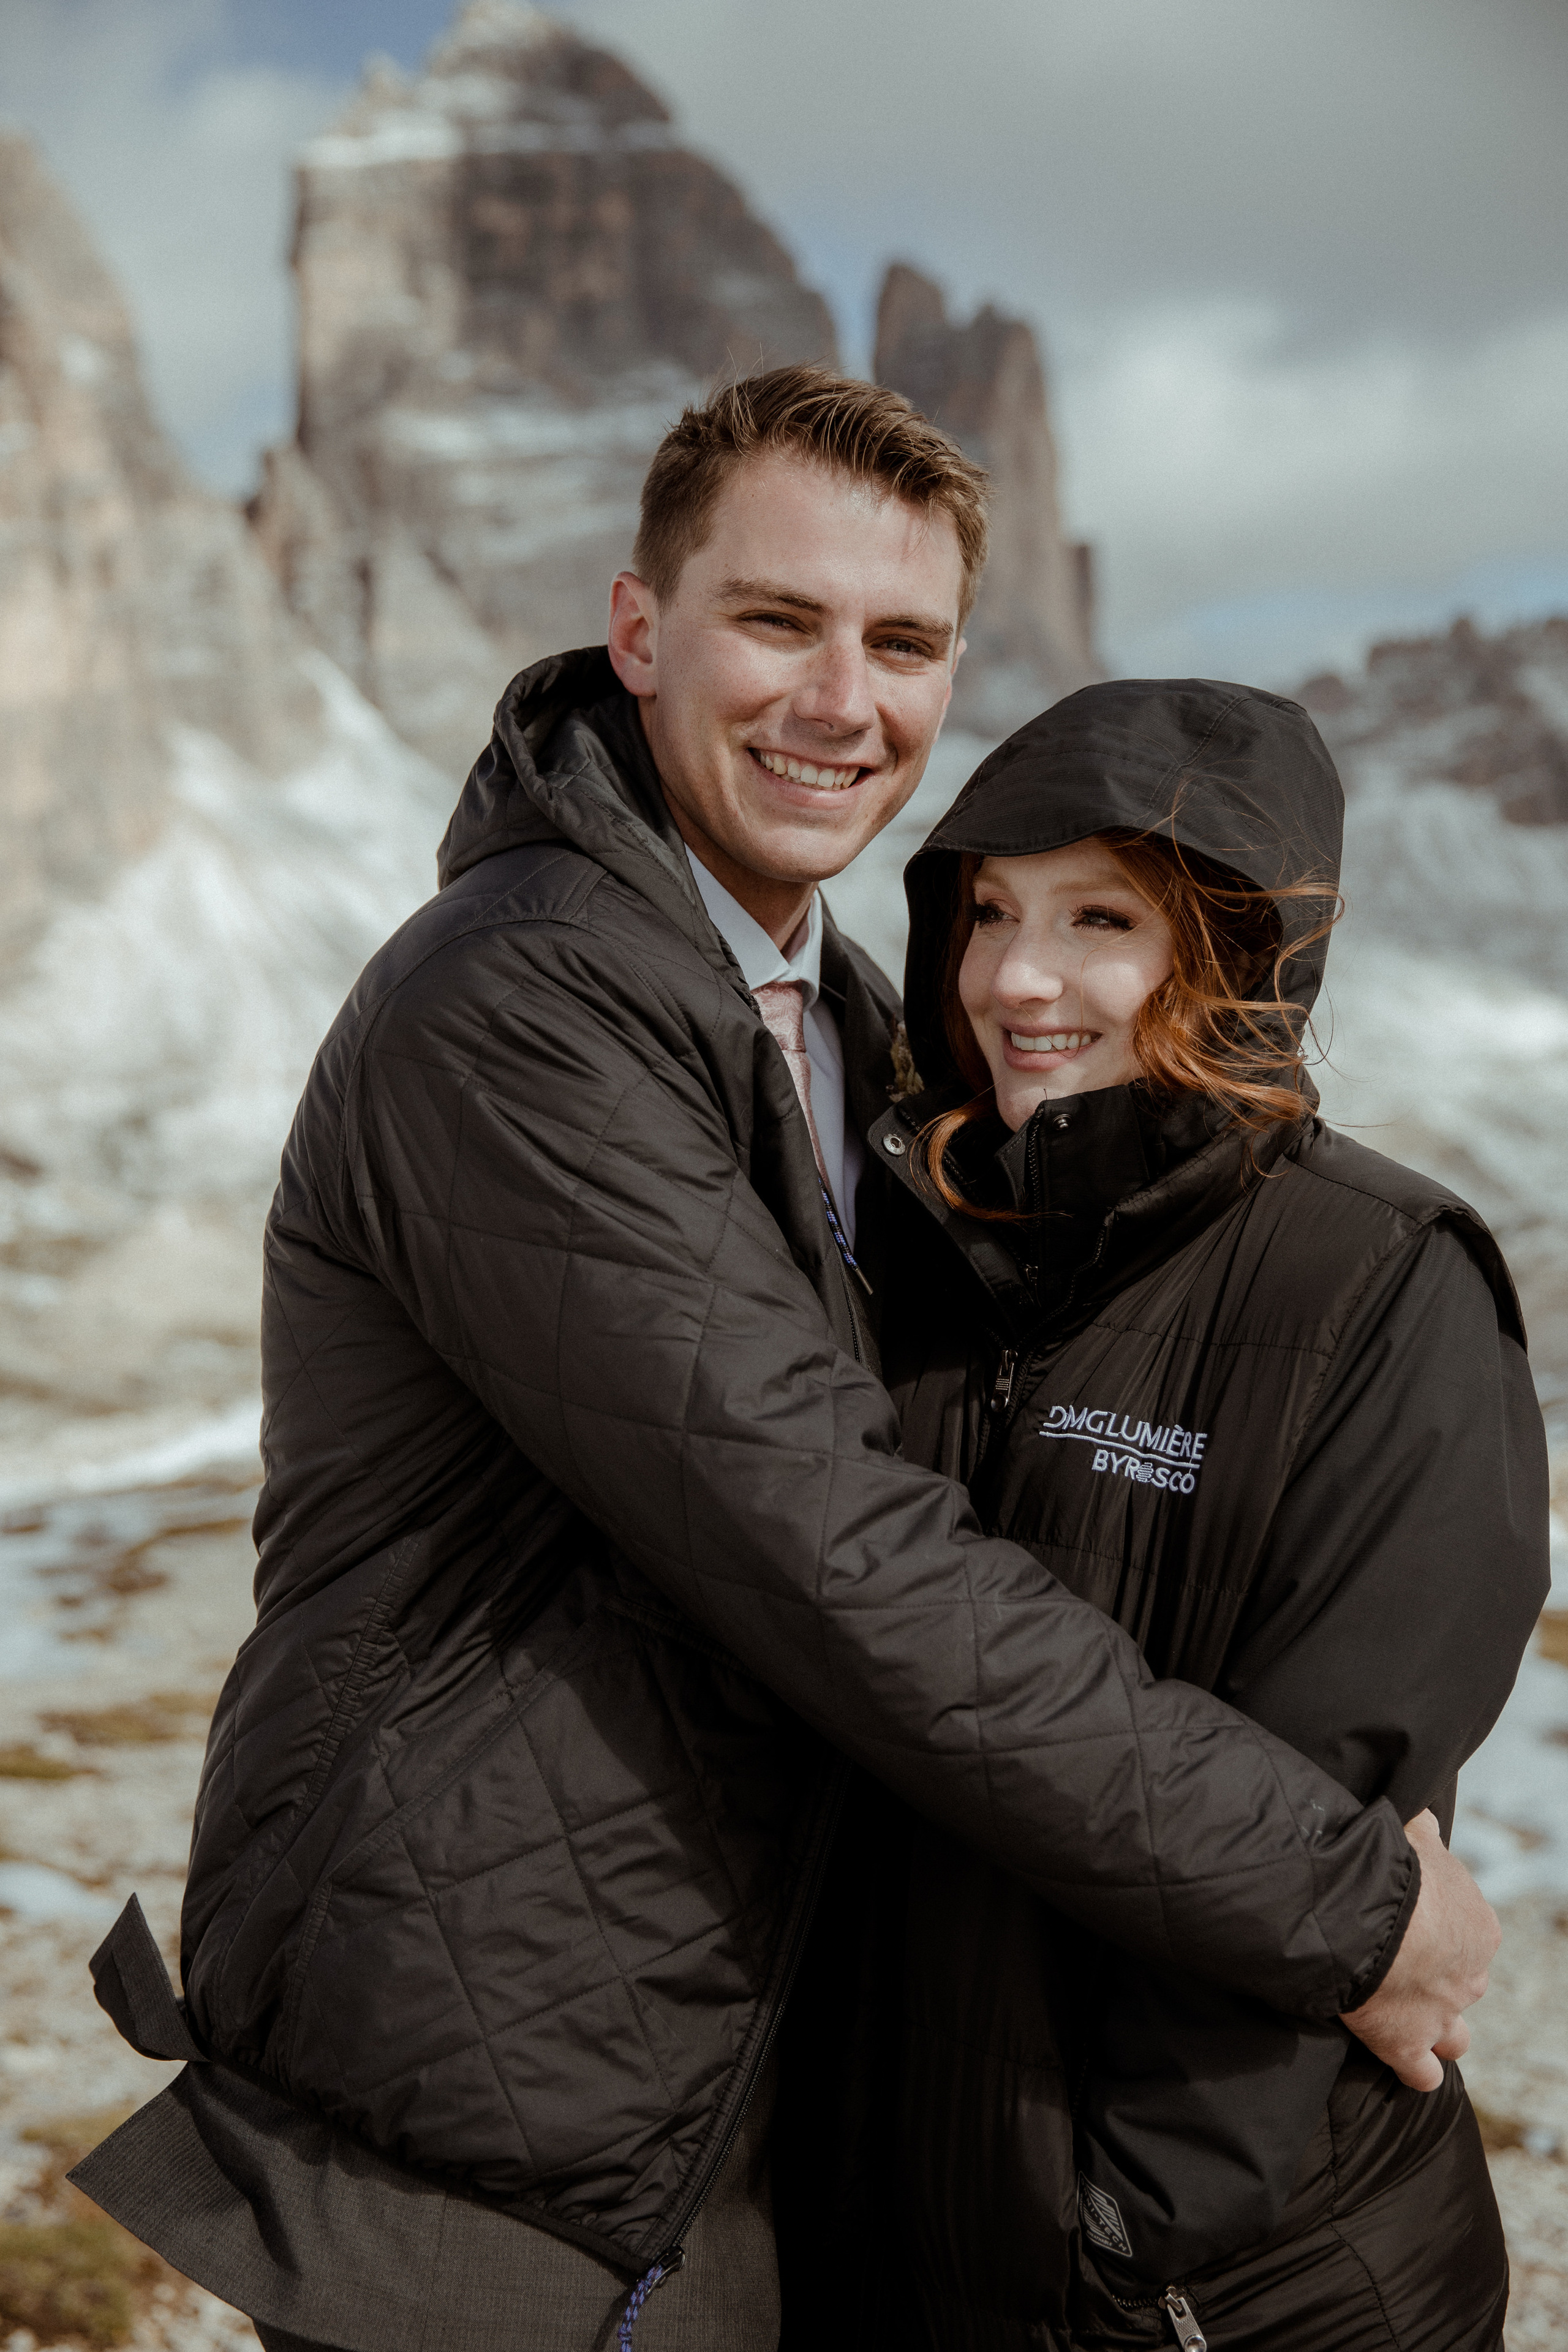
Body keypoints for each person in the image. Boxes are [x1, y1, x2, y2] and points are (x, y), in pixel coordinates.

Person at [73, 373, 1500, 2352]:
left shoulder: (846, 1025)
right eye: (778, 622)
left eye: (903, 644)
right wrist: (1345, 1905)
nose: (845, 701)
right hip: (493, 2136)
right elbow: (838, 1551)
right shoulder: (515, 1009)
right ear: (639, 633)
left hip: (735, 2101)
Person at [861, 677, 1548, 2350]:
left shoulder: (1383, 1283)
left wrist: (1120, 2245)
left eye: (1102, 918)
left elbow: (1316, 1824)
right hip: (950, 2250)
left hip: (1240, 2291)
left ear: (1234, 954)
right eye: (991, 913)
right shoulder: (926, 1263)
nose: (1020, 978)